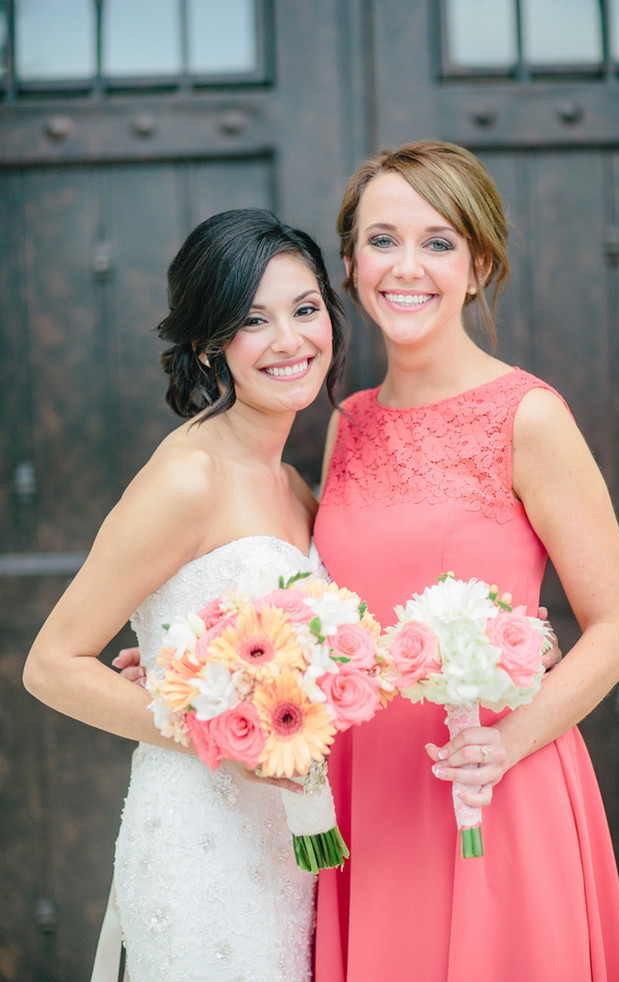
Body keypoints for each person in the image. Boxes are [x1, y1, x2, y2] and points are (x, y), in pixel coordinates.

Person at [312, 141, 619, 981]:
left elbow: (616, 627)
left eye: (438, 241)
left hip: (492, 781)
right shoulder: (346, 422)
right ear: (349, 262)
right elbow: (316, 610)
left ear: (477, 263)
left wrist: (508, 744)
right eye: (382, 240)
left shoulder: (527, 417)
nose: (406, 267)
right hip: (367, 792)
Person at [23, 208, 349, 982]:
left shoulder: (295, 485)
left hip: (286, 845)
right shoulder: (186, 478)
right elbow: (52, 665)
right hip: (202, 841)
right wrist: (226, 738)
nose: (289, 340)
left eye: (305, 310)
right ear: (209, 343)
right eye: (251, 321)